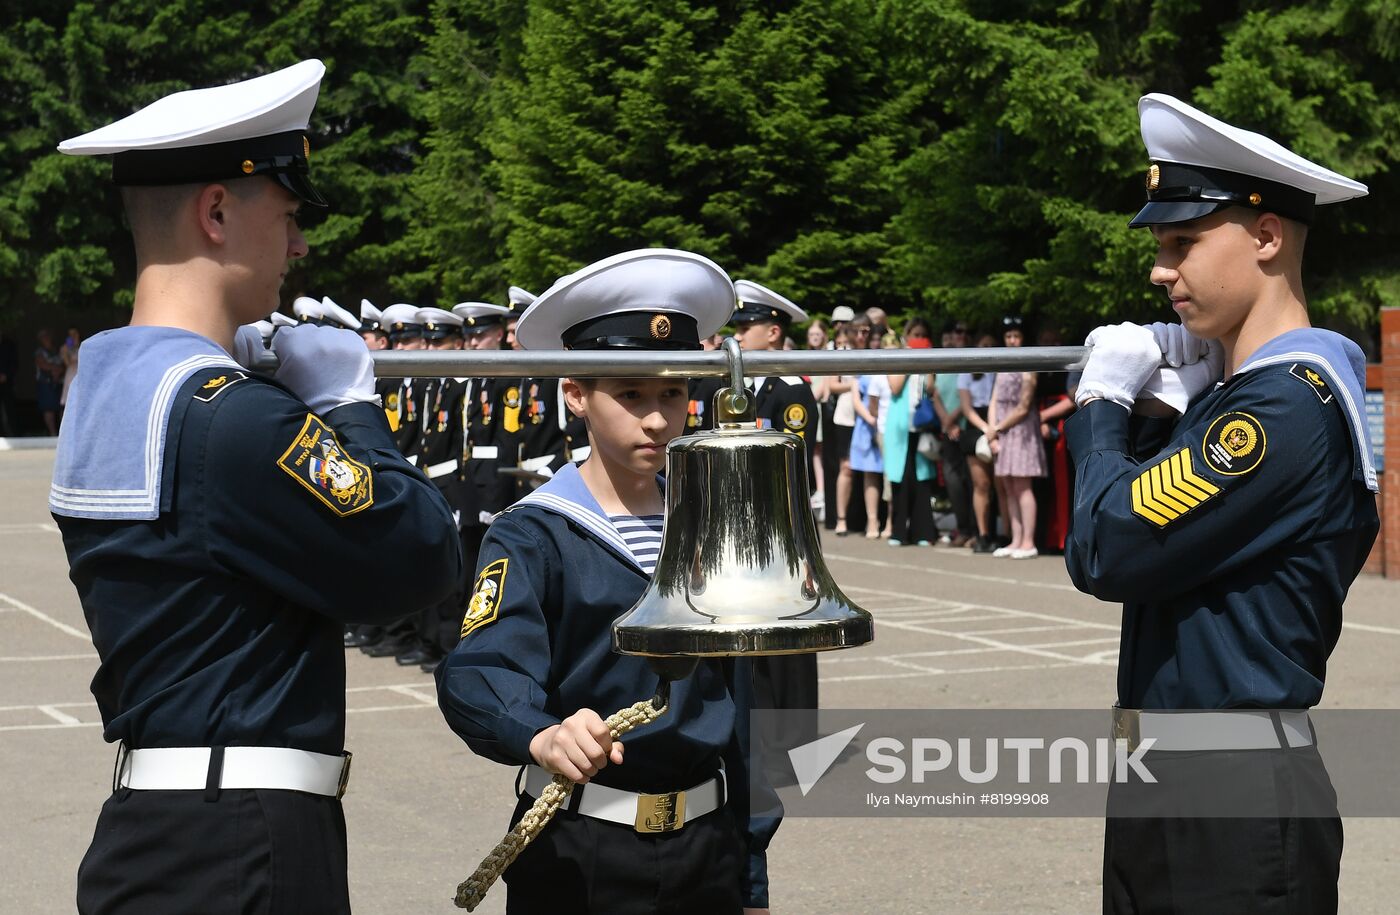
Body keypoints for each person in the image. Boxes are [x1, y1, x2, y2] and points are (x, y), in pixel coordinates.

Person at [51, 59, 462, 913]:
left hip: (160, 830)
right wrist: (349, 407)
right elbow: (421, 556)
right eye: (287, 215)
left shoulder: (104, 384)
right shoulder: (231, 417)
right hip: (240, 845)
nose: (300, 245)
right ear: (215, 212)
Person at [1065, 93, 1377, 913]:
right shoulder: (1240, 400)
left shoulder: (1282, 409)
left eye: (1184, 242)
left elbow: (1107, 546)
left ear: (1266, 236)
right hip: (1170, 779)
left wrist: (1103, 406)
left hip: (1232, 797)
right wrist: (1163, 409)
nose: (1160, 269)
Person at [436, 248, 777, 914]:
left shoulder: (709, 524)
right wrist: (541, 733)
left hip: (706, 849)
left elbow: (744, 704)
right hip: (581, 848)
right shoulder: (535, 532)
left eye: (672, 393)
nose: (657, 419)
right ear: (576, 395)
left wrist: (752, 871)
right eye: (630, 394)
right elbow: (478, 669)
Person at [986, 316, 1046, 559]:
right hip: (1002, 430)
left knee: (1022, 486)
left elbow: (1023, 406)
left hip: (1021, 430)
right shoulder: (1002, 362)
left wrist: (997, 428)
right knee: (1008, 486)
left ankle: (1028, 541)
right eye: (1008, 336)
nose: (1012, 340)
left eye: (1016, 336)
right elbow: (993, 400)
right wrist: (992, 430)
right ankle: (1016, 539)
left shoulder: (1028, 364)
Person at [883, 318, 937, 546]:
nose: (919, 339)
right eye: (915, 334)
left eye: (923, 335)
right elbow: (894, 386)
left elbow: (931, 388)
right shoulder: (897, 357)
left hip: (921, 425)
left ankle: (923, 532)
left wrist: (927, 362)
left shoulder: (929, 359)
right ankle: (898, 531)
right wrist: (909, 358)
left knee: (921, 479)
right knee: (900, 479)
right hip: (899, 426)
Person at [932, 320, 974, 546]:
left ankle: (974, 531)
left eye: (965, 332)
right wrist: (947, 423)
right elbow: (936, 395)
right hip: (948, 428)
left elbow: (970, 395)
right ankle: (963, 528)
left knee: (971, 481)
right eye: (957, 332)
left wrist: (952, 420)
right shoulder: (943, 360)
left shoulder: (972, 360)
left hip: (967, 426)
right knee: (952, 481)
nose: (961, 336)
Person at [957, 332, 998, 552]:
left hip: (998, 422)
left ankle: (1000, 534)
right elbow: (966, 407)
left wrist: (994, 428)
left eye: (992, 345)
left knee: (999, 485)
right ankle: (982, 533)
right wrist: (985, 429)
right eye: (984, 345)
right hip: (976, 426)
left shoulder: (1000, 370)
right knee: (981, 484)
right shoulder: (967, 372)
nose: (988, 349)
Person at [34, 329, 64, 435]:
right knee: (48, 409)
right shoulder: (39, 352)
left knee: (62, 407)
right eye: (43, 337)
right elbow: (42, 364)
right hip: (46, 383)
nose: (46, 339)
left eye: (47, 336)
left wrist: (59, 370)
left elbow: (64, 363)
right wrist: (55, 368)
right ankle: (52, 433)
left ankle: (63, 433)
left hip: (59, 382)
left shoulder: (57, 350)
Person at [60, 327, 82, 420]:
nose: (72, 336)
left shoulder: (83, 346)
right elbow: (67, 363)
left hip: (81, 373)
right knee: (68, 400)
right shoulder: (65, 348)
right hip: (71, 374)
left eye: (74, 334)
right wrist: (68, 348)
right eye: (70, 334)